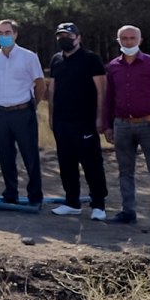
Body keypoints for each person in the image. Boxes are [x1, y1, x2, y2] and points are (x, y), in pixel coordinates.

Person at [101, 25, 150, 227]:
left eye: (132, 38)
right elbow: (109, 98)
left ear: (140, 40)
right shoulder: (113, 66)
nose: (128, 42)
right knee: (125, 171)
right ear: (118, 41)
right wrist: (107, 125)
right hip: (122, 125)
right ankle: (128, 212)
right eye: (124, 38)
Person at [46, 23, 108, 220]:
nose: (64, 39)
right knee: (66, 163)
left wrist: (100, 117)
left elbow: (102, 91)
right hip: (62, 121)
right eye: (60, 36)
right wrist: (51, 116)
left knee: (91, 164)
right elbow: (52, 89)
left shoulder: (91, 59)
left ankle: (98, 204)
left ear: (78, 38)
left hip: (85, 121)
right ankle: (72, 202)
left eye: (68, 35)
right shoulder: (56, 60)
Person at [0, 19, 46, 206]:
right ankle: (11, 193)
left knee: (29, 155)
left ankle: (35, 196)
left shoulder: (28, 57)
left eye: (7, 32)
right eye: (0, 33)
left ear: (15, 34)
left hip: (22, 111)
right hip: (0, 112)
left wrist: (32, 105)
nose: (4, 36)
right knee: (5, 155)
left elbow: (40, 84)